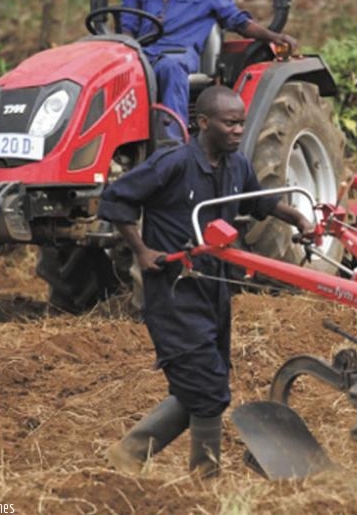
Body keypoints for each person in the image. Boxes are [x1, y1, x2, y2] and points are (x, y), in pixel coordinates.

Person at [99, 85, 313, 478]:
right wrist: (141, 250)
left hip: (215, 288)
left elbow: (257, 200)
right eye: (230, 123)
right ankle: (206, 477)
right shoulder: (173, 163)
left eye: (241, 123)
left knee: (199, 384)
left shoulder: (237, 165)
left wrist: (295, 216)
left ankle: (128, 455)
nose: (237, 130)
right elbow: (116, 199)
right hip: (173, 290)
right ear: (203, 123)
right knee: (210, 388)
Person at [121, 0, 299, 125]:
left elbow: (238, 22)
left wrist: (273, 36)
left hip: (180, 52)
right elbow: (127, 27)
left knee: (170, 67)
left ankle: (172, 144)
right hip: (144, 53)